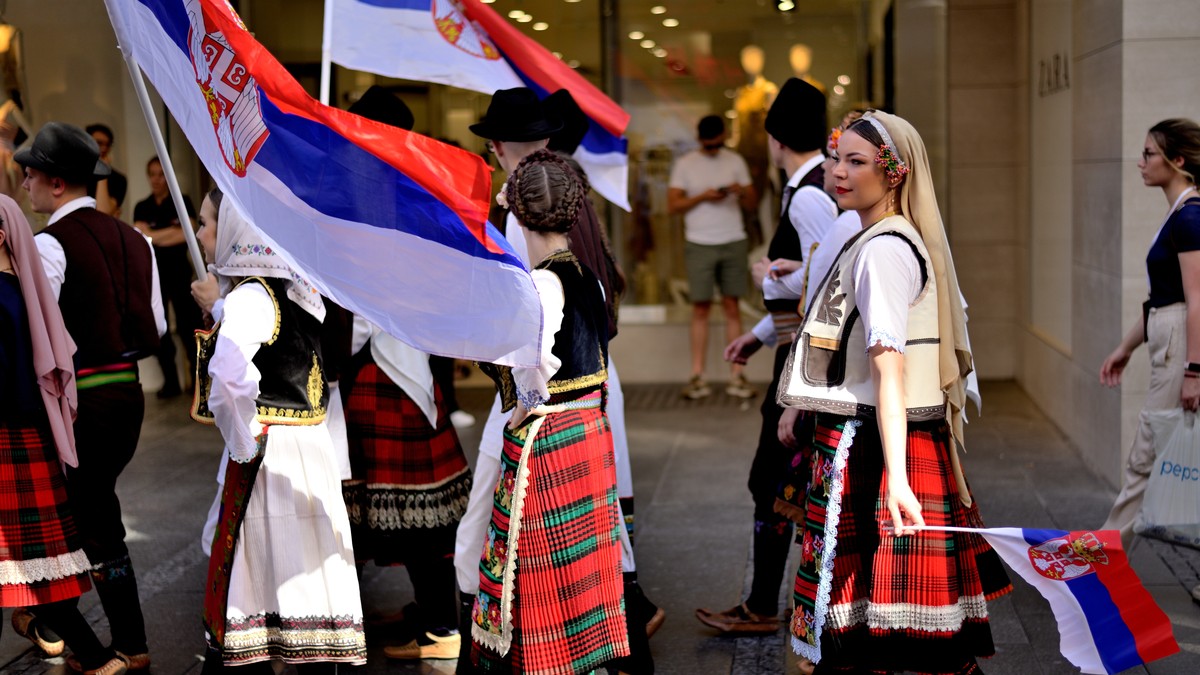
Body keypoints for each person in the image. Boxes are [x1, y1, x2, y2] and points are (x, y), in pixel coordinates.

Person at [778, 111, 1011, 673]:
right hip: (885, 436)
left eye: (856, 162)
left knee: (879, 620)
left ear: (893, 174)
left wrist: (899, 480)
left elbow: (890, 371)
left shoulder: (883, 250)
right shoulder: (887, 237)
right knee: (887, 618)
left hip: (874, 444)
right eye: (838, 158)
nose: (839, 171)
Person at [192, 188, 365, 670]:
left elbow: (229, 377)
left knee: (259, 575)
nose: (201, 234)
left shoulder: (253, 295)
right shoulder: (296, 288)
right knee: (298, 579)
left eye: (206, 223)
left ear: (234, 229)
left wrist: (242, 442)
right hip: (305, 449)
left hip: (273, 452)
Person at [469, 150, 629, 674]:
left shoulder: (540, 284)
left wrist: (522, 412)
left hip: (552, 437)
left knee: (541, 572)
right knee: (582, 569)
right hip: (590, 431)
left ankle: (547, 662)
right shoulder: (589, 275)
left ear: (518, 215)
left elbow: (534, 366)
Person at [17, 122, 165, 670]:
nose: (24, 182)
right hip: (128, 393)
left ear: (56, 183)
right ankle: (61, 623)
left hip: (82, 402)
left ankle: (127, 644)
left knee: (92, 519)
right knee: (91, 511)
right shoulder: (136, 238)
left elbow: (38, 332)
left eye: (30, 173)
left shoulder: (49, 244)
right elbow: (156, 326)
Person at [335, 85, 472, 663]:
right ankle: (433, 613)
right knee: (418, 504)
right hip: (409, 361)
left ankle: (439, 627)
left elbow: (367, 295)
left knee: (410, 508)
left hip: (384, 363)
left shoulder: (372, 192)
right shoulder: (414, 187)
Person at [697, 77, 837, 635]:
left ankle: (767, 608)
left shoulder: (808, 196)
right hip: (793, 348)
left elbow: (828, 279)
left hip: (803, 359)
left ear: (775, 139)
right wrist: (758, 332)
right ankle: (770, 605)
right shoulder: (811, 188)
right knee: (779, 483)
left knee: (774, 482)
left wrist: (767, 278)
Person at [0, 194, 129, 675]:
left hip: (7, 436)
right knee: (38, 563)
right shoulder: (26, 289)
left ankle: (96, 656)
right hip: (30, 433)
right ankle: (96, 655)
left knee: (30, 562)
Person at [1101, 119, 1200, 560]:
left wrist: (1193, 371)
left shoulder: (1190, 217)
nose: (1140, 162)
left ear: (1177, 160)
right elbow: (1161, 298)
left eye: (1148, 154)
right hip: (1170, 337)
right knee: (1158, 452)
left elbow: (1196, 299)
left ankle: (1102, 558)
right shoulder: (1180, 214)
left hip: (1180, 346)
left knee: (1146, 453)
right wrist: (1126, 348)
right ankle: (1104, 554)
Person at [668, 115, 757, 400]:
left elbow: (753, 202)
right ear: (699, 139)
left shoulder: (735, 161)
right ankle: (698, 375)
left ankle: (737, 374)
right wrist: (703, 196)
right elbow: (673, 205)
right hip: (699, 242)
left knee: (733, 307)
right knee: (700, 308)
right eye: (709, 145)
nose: (714, 149)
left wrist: (739, 191)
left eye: (717, 144)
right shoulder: (685, 164)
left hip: (733, 239)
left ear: (724, 137)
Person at [133, 156, 202, 398]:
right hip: (154, 275)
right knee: (158, 327)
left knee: (188, 326)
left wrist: (153, 234)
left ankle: (197, 383)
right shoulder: (142, 206)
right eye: (152, 174)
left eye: (161, 174)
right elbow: (140, 237)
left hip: (180, 273)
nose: (156, 180)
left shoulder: (181, 202)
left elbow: (187, 233)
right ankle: (170, 381)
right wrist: (169, 233)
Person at [86, 124, 127, 219]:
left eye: (108, 144)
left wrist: (103, 171)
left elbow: (103, 211)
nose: (104, 148)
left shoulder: (119, 180)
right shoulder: (76, 174)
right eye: (99, 143)